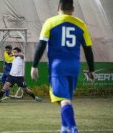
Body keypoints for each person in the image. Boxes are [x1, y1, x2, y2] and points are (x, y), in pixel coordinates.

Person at [31, 0, 95, 133]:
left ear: (58, 7)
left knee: (62, 99)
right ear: (73, 9)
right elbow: (88, 49)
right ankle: (64, 129)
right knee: (67, 98)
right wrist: (91, 69)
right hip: (74, 66)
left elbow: (41, 44)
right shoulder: (81, 24)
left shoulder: (50, 22)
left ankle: (72, 128)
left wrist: (34, 65)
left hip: (57, 66)